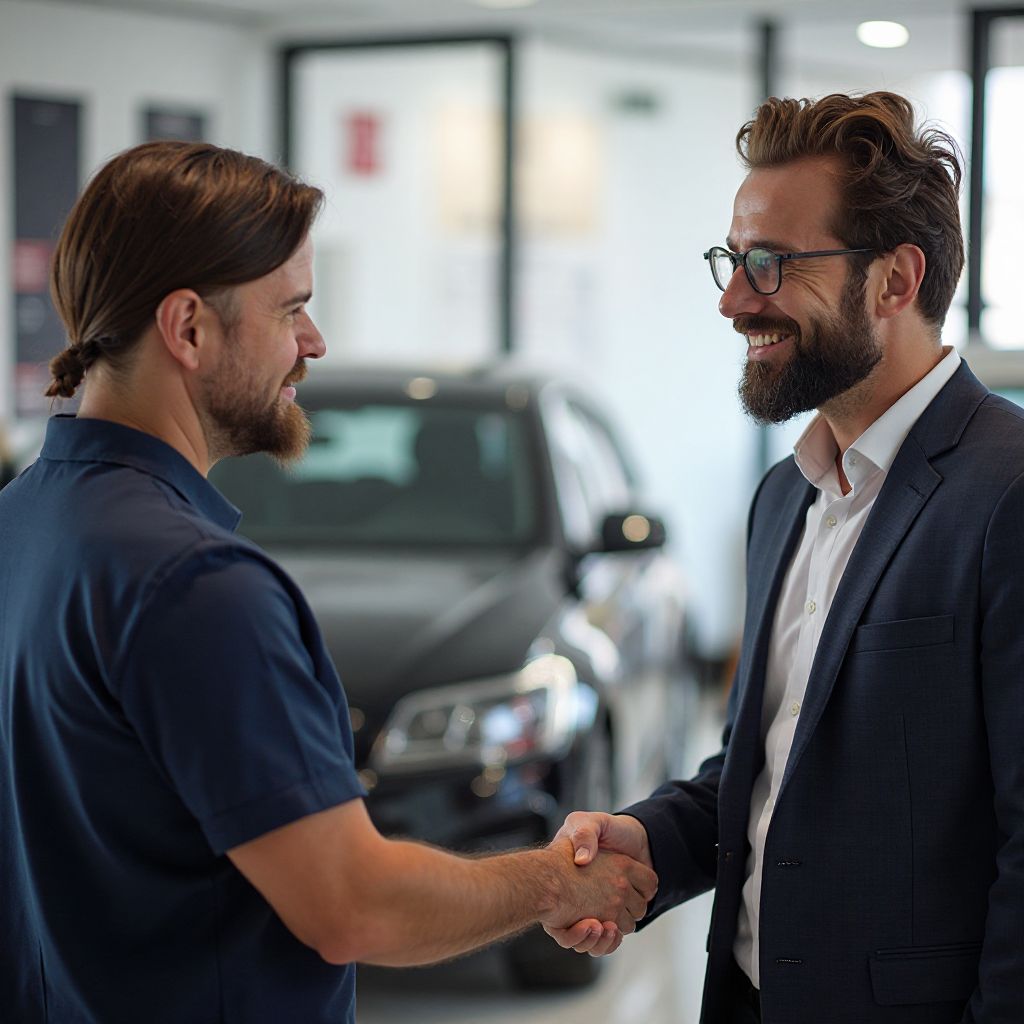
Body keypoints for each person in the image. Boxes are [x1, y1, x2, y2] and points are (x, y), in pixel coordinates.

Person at [0, 141, 656, 1024]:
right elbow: (355, 905)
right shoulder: (199, 585)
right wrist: (553, 881)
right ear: (188, 327)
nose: (312, 343)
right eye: (291, 309)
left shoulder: (21, 524)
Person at [546, 92, 1024, 1024]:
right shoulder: (785, 498)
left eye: (769, 263)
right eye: (732, 260)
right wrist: (649, 839)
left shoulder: (1008, 495)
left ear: (894, 281)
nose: (733, 300)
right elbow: (768, 768)